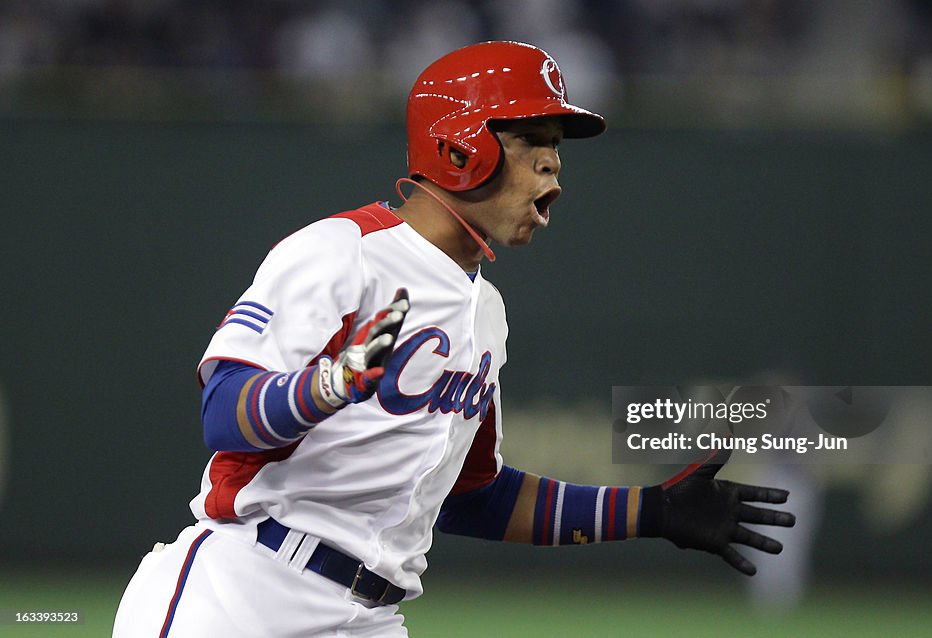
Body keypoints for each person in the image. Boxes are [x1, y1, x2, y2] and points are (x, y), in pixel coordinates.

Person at [112, 41, 796, 637]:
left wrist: (652, 511)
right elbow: (225, 412)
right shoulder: (342, 252)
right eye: (537, 141)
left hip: (369, 617)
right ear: (460, 144)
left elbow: (474, 495)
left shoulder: (486, 313)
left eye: (557, 147)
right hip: (245, 594)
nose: (554, 167)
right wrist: (334, 382)